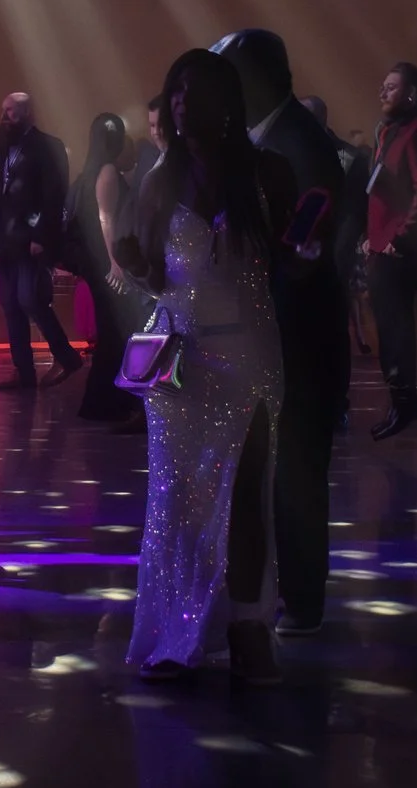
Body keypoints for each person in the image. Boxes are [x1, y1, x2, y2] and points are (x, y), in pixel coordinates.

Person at [116, 49, 295, 685]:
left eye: (196, 90)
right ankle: (177, 629)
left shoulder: (267, 173)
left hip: (250, 352)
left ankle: (248, 626)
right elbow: (146, 271)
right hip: (183, 356)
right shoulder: (159, 180)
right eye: (177, 91)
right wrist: (134, 263)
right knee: (179, 499)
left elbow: (289, 262)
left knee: (247, 494)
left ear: (227, 100)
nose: (184, 102)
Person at [212, 29, 350, 635]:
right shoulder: (270, 138)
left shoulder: (299, 145)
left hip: (300, 337)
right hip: (276, 331)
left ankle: (302, 597)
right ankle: (283, 588)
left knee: (296, 468)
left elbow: (302, 251)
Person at [364, 62, 417, 441]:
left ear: (411, 94)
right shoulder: (388, 132)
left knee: (395, 328)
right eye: (382, 85)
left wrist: (400, 239)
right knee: (388, 326)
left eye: (391, 87)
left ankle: (404, 402)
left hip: (397, 250)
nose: (382, 93)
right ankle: (405, 401)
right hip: (381, 245)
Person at [0, 91, 79, 392]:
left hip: (30, 240)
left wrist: (42, 236)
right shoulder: (0, 152)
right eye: (4, 109)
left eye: (11, 110)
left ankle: (66, 355)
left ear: (27, 113)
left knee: (30, 299)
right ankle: (23, 372)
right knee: (10, 304)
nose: (5, 116)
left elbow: (55, 194)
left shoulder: (47, 146)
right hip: (5, 242)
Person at [68, 112, 141, 425]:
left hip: (99, 265)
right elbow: (106, 218)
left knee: (113, 333)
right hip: (108, 266)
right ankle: (106, 402)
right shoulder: (108, 170)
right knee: (116, 333)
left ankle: (102, 401)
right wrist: (116, 263)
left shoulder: (90, 172)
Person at [129, 95, 165, 194]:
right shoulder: (146, 159)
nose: (156, 132)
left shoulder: (189, 159)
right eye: (152, 125)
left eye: (161, 124)